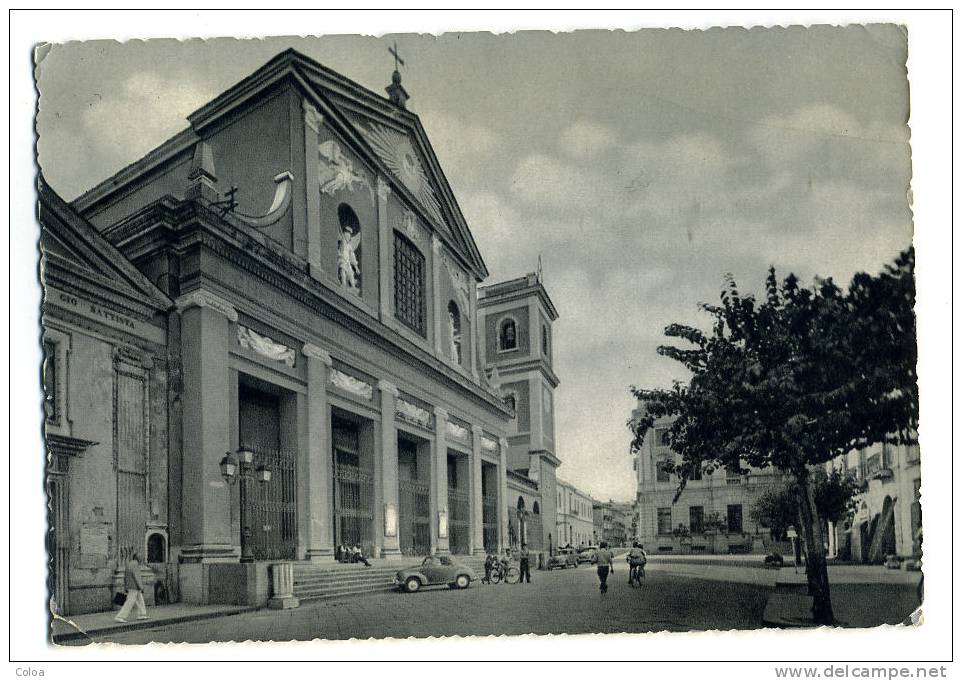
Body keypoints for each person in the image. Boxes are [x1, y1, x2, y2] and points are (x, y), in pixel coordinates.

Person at [115, 553, 148, 623]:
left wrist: (125, 587)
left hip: (130, 586)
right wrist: (141, 587)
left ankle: (142, 614)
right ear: (138, 558)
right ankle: (120, 616)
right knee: (130, 601)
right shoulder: (135, 565)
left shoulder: (129, 564)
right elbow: (137, 577)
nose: (142, 559)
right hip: (134, 586)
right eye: (141, 557)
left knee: (140, 599)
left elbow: (125, 577)